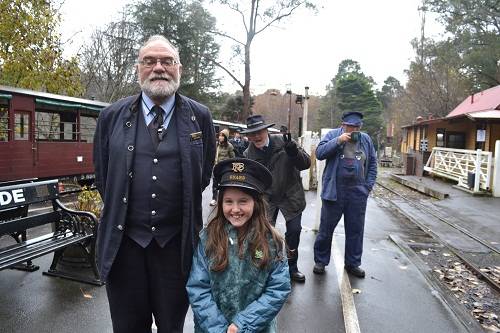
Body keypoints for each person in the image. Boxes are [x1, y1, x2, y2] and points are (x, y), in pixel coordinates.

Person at [93, 35, 216, 333]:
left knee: (171, 327)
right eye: (150, 61)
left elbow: (203, 173)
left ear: (179, 69)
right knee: (127, 327)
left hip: (175, 247)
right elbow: (104, 176)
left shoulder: (200, 117)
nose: (158, 67)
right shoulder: (111, 117)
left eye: (167, 61)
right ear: (138, 69)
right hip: (125, 247)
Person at [187, 158, 291, 333]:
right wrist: (219, 329)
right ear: (221, 203)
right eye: (229, 201)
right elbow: (198, 288)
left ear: (256, 203)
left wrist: (241, 325)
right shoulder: (208, 238)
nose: (235, 209)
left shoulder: (273, 242)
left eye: (243, 201)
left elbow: (278, 289)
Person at [242, 115, 311, 282]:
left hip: (291, 196)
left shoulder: (284, 142)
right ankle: (261, 265)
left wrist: (294, 152)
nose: (256, 137)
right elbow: (250, 179)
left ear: (266, 130)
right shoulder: (247, 153)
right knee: (261, 234)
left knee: (294, 232)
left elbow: (306, 164)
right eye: (252, 134)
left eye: (259, 132)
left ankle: (292, 267)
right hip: (266, 199)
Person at [313, 111, 377, 278]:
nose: (353, 130)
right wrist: (338, 141)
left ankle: (353, 263)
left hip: (357, 191)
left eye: (357, 127)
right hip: (335, 190)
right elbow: (319, 154)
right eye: (350, 126)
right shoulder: (333, 135)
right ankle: (320, 261)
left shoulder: (366, 139)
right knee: (326, 228)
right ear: (343, 125)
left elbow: (373, 164)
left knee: (356, 229)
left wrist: (367, 187)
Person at [210, 129, 235, 206]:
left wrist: (230, 168)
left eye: (222, 136)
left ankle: (222, 200)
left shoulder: (229, 146)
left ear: (225, 137)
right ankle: (214, 199)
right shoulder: (217, 144)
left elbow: (233, 158)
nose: (220, 137)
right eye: (220, 135)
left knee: (223, 185)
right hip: (216, 168)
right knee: (214, 184)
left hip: (224, 169)